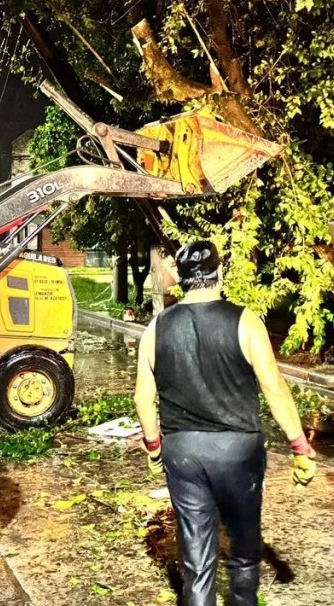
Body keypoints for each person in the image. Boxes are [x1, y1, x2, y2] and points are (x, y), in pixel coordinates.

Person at [134, 240, 317, 606]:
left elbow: (142, 398)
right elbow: (274, 388)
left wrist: (155, 446)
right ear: (219, 274)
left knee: (197, 562)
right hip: (238, 452)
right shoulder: (246, 321)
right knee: (244, 552)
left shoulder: (156, 328)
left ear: (181, 279)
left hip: (184, 453)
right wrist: (300, 447)